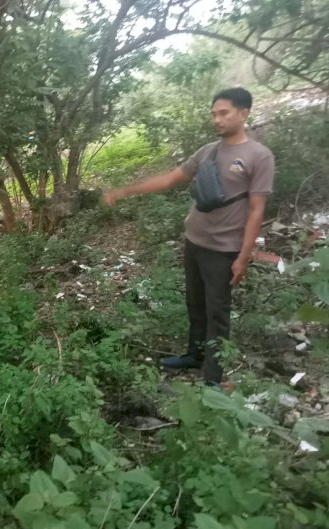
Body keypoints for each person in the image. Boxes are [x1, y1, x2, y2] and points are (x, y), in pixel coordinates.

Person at [103, 87, 275, 386]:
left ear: (244, 113)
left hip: (223, 250)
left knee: (217, 313)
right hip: (194, 242)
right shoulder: (209, 150)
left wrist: (243, 257)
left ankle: (213, 378)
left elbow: (256, 211)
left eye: (224, 113)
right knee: (195, 305)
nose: (217, 120)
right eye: (214, 114)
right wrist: (127, 190)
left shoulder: (258, 156)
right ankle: (194, 356)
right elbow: (171, 178)